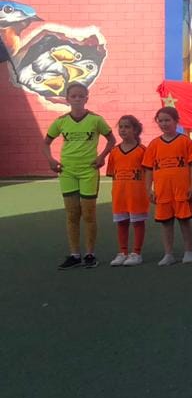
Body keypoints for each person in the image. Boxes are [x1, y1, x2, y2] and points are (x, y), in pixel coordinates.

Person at [44, 80, 115, 270]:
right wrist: (51, 160)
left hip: (88, 171)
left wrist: (101, 157)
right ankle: (75, 255)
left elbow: (111, 139)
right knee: (72, 213)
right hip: (67, 171)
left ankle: (90, 254)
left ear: (86, 99)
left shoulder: (96, 120)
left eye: (80, 96)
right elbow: (46, 143)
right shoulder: (60, 121)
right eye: (73, 96)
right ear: (67, 99)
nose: (77, 99)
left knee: (89, 213)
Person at [143, 106, 192, 265]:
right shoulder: (154, 144)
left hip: (182, 190)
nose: (164, 124)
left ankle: (189, 251)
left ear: (176, 121)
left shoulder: (185, 141)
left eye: (167, 120)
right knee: (166, 222)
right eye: (161, 121)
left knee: (184, 221)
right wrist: (149, 189)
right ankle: (168, 254)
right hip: (162, 191)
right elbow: (148, 169)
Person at [105, 115, 147, 267]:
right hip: (119, 194)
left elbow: (149, 172)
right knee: (121, 222)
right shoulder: (115, 151)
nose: (123, 130)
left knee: (137, 222)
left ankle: (136, 253)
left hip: (137, 193)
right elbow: (112, 174)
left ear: (135, 130)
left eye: (127, 127)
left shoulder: (143, 150)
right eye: (121, 127)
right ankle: (122, 252)